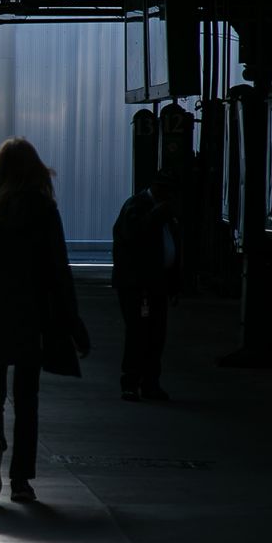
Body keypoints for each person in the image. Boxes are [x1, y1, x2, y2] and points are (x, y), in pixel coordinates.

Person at [0, 137, 90, 503]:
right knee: (27, 400)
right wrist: (73, 324)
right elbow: (59, 271)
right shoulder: (44, 211)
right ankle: (21, 480)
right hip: (31, 319)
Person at [111, 169, 181, 401]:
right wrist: (157, 215)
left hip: (156, 283)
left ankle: (149, 382)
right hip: (138, 284)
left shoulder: (163, 210)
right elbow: (133, 235)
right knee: (139, 333)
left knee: (155, 334)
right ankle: (131, 382)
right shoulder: (137, 207)